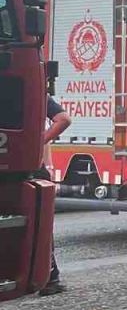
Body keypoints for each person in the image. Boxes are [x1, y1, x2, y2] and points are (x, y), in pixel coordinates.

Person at [37, 94, 71, 295]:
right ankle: (49, 277)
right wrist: (37, 142)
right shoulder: (33, 86)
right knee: (41, 225)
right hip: (31, 165)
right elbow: (63, 119)